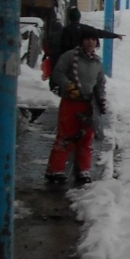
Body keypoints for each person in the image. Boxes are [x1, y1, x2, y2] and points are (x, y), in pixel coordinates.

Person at [46, 28, 106, 185]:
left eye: (93, 39)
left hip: (88, 105)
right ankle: (55, 170)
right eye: (87, 39)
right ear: (82, 41)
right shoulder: (70, 57)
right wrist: (68, 85)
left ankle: (83, 170)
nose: (90, 42)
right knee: (66, 136)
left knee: (86, 138)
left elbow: (100, 83)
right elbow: (58, 73)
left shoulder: (97, 62)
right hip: (70, 103)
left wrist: (101, 101)